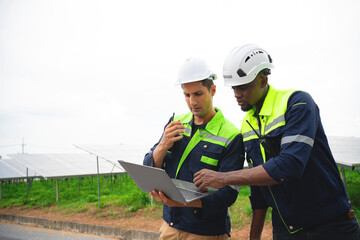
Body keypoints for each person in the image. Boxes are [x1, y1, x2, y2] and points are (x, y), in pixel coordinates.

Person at [194, 44, 360, 240]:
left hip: (329, 225)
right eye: (234, 88)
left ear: (263, 80)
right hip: (286, 228)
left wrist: (223, 178)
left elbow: (289, 165)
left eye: (243, 87)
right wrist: (254, 236)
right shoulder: (247, 125)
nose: (237, 94)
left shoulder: (297, 103)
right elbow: (259, 191)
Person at [143, 57, 244, 239]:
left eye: (198, 94)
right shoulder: (176, 123)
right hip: (170, 227)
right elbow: (149, 167)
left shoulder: (231, 135)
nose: (192, 102)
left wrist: (183, 203)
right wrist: (163, 145)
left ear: (212, 90)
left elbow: (228, 194)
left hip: (206, 233)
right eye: (186, 95)